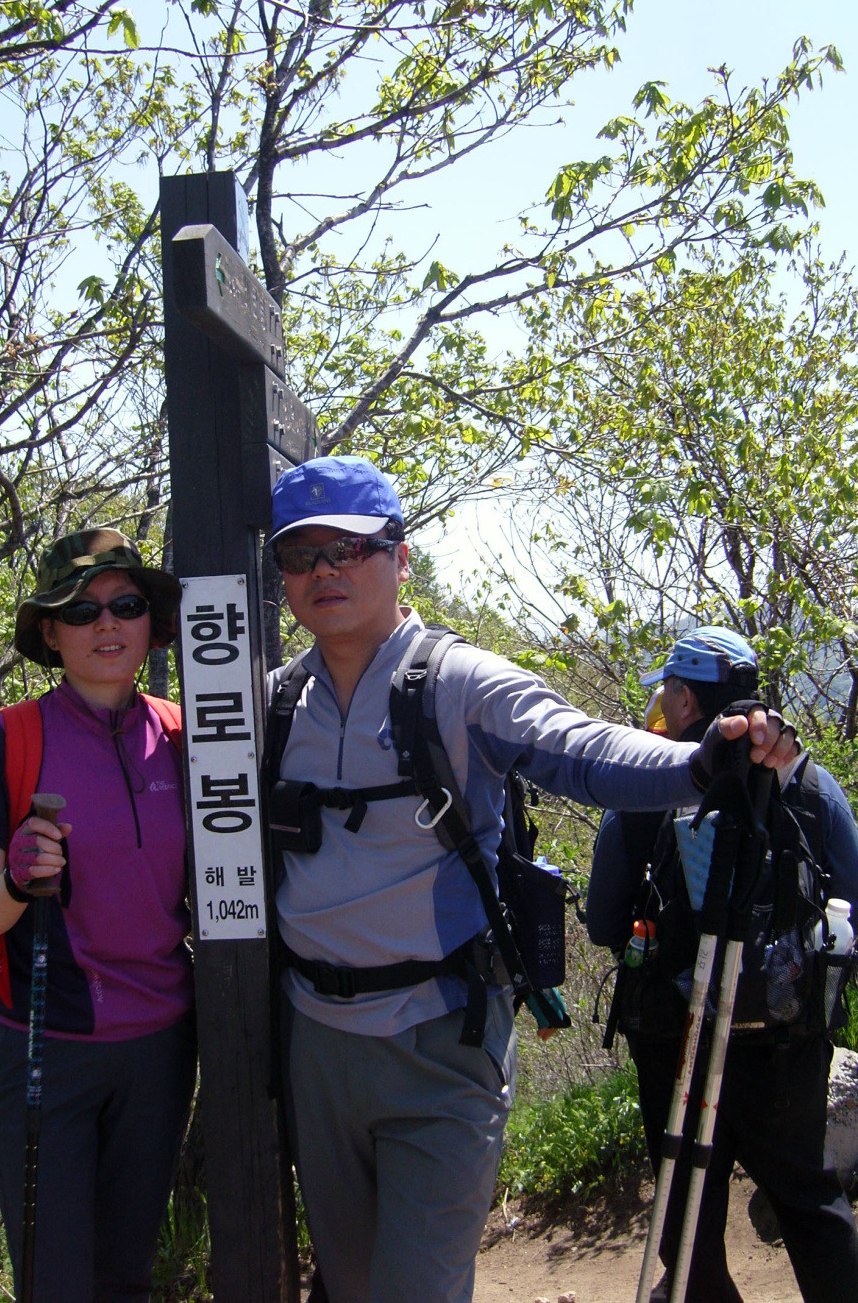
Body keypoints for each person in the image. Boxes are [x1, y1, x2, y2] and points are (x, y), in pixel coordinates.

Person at [264, 456, 800, 1303]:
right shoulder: (271, 703)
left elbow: (581, 747)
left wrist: (699, 765)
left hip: (442, 1037)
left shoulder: (458, 682)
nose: (325, 569)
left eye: (350, 547)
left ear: (400, 559)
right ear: (283, 575)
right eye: (302, 554)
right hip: (313, 1042)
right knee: (352, 1283)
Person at [0, 528, 196, 1303]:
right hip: (45, 1046)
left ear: (150, 621)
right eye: (80, 611)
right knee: (56, 1282)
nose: (107, 624)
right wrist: (18, 882)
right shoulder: (4, 743)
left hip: (161, 1047)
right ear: (50, 632)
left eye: (126, 604)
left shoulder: (189, 736)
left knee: (126, 1275)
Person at [586, 625, 858, 1303]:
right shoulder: (811, 786)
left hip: (672, 1036)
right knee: (810, 1200)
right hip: (785, 1038)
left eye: (668, 688)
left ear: (683, 698)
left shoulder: (649, 787)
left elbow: (603, 918)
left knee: (689, 1225)